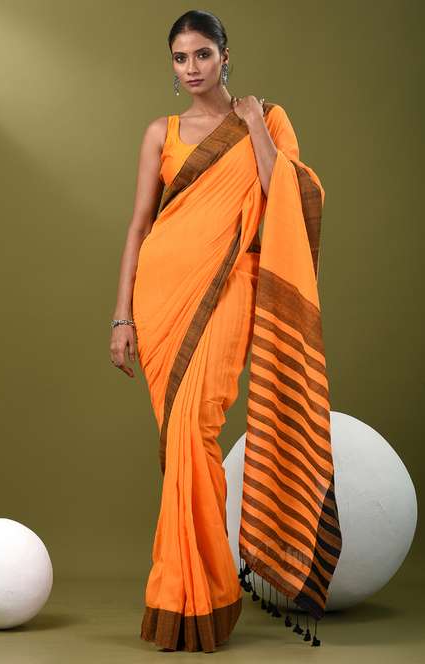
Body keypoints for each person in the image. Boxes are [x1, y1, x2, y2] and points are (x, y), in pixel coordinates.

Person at [110, 9, 342, 653]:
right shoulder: (161, 132)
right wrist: (122, 314)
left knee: (196, 432)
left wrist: (254, 123)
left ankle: (198, 598)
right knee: (181, 446)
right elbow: (138, 226)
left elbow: (284, 191)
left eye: (202, 55)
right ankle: (191, 599)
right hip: (160, 298)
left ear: (224, 55)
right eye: (180, 58)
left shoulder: (267, 120)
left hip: (230, 286)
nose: (191, 68)